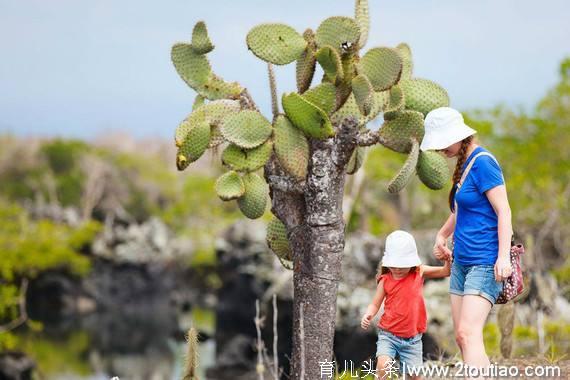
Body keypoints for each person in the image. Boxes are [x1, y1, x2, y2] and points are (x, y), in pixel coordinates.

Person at [421, 107, 513, 377]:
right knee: (463, 338)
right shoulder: (465, 164)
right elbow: (461, 210)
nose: (440, 151)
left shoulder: (484, 162)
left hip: (485, 262)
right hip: (461, 262)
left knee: (468, 332)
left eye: (442, 144)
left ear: (459, 136)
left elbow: (504, 211)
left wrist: (503, 257)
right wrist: (442, 235)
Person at [360, 230, 451, 379]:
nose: (397, 269)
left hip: (412, 339)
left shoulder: (418, 272)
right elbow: (375, 304)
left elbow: (445, 272)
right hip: (388, 335)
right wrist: (368, 314)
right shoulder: (385, 280)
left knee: (414, 376)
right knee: (383, 366)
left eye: (402, 265)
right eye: (394, 265)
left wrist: (447, 259)